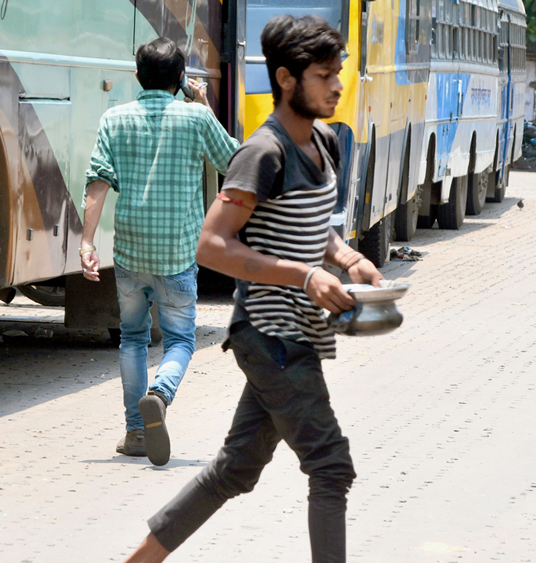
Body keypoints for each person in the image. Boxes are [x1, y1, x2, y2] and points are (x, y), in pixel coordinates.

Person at [121, 15, 384, 563]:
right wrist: (305, 275)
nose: (338, 85)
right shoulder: (262, 154)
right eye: (324, 75)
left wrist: (346, 256)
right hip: (269, 336)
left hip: (298, 336)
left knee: (235, 469)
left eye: (340, 72)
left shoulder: (327, 143)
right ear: (287, 80)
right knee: (330, 465)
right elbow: (212, 245)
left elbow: (315, 226)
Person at [81, 37, 240, 466]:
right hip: (177, 255)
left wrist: (86, 243)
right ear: (181, 79)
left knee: (132, 339)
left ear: (137, 77)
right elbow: (235, 163)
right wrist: (204, 105)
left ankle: (136, 432)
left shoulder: (114, 119)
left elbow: (97, 183)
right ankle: (161, 393)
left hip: (131, 253)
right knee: (181, 341)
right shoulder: (195, 119)